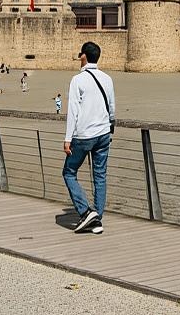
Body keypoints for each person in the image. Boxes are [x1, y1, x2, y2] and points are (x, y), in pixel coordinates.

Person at [63, 41, 115, 235]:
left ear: (84, 56)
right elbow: (112, 108)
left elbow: (73, 112)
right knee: (100, 176)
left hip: (84, 135)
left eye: (80, 54)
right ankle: (97, 219)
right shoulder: (107, 79)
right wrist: (110, 129)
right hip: (103, 134)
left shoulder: (77, 80)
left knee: (69, 172)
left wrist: (68, 138)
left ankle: (85, 211)